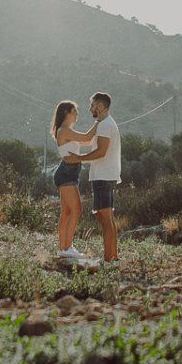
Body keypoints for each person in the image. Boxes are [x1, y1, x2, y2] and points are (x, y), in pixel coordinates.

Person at [64, 92, 122, 264]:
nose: (90, 109)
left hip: (103, 176)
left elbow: (101, 152)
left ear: (101, 107)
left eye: (92, 105)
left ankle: (110, 259)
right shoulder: (103, 123)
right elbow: (89, 140)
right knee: (108, 218)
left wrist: (77, 158)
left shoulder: (105, 125)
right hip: (107, 175)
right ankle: (112, 257)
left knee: (105, 218)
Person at [50, 100, 96, 263]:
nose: (77, 114)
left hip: (68, 173)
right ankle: (68, 248)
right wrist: (100, 121)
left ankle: (64, 249)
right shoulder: (64, 131)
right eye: (74, 111)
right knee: (76, 210)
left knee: (67, 213)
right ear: (66, 113)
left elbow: (88, 141)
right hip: (67, 174)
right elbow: (87, 136)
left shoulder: (67, 131)